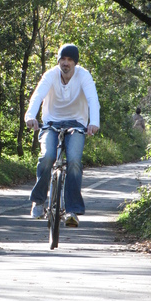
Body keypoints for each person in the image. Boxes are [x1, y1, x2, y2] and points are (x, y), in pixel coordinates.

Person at [25, 44, 100, 228]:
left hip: (76, 123)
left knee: (74, 161)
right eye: (62, 59)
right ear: (58, 60)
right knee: (47, 157)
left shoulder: (84, 76)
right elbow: (37, 96)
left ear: (75, 62)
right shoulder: (50, 75)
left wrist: (94, 122)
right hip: (51, 122)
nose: (65, 63)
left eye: (69, 60)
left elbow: (92, 99)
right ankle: (39, 201)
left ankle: (72, 210)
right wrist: (30, 117)